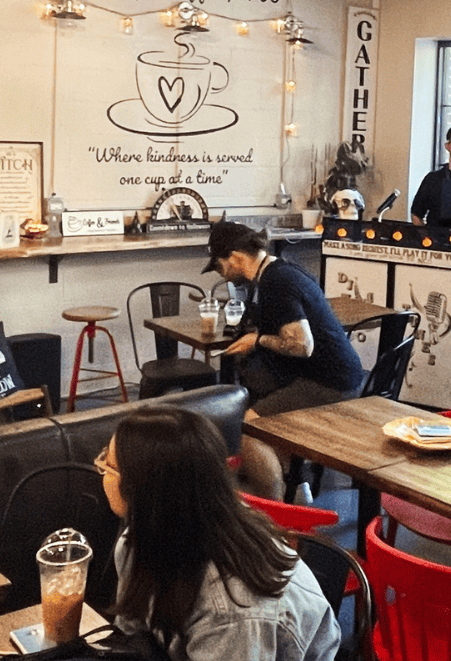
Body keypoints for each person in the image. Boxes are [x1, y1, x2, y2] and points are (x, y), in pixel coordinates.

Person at [97, 406, 340, 661]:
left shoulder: (232, 609)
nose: (101, 469)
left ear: (146, 489)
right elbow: (131, 638)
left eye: (109, 465)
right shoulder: (141, 538)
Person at [202, 222, 364, 498]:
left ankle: (275, 513)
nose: (223, 276)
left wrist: (259, 340)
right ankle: (295, 485)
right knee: (263, 399)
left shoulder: (275, 283)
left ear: (236, 257)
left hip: (328, 382)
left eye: (220, 267)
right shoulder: (286, 269)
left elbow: (302, 345)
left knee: (250, 428)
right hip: (339, 374)